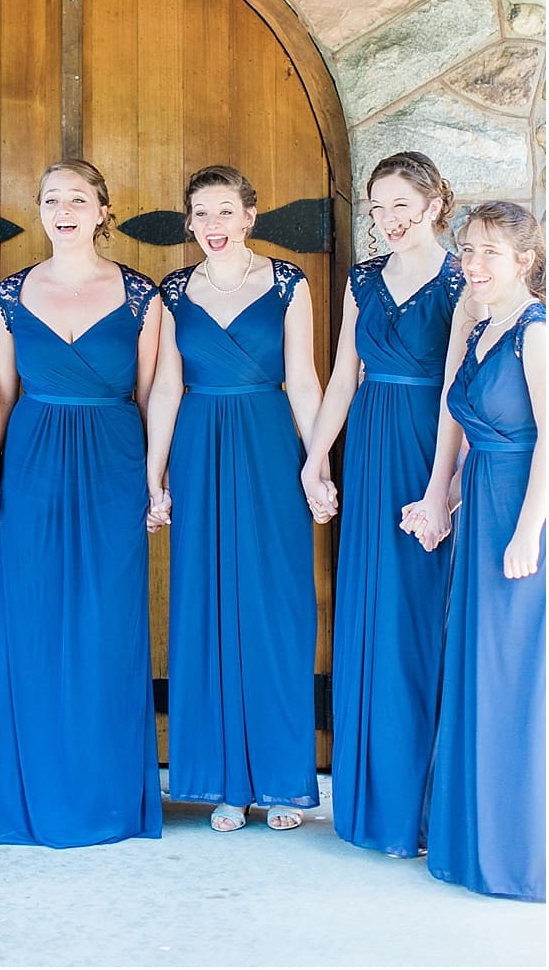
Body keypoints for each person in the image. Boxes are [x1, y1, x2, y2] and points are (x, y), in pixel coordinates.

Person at [0, 158, 162, 848]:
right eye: (51, 198)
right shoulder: (10, 296)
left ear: (103, 210)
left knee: (107, 622)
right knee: (31, 618)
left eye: (78, 198)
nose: (64, 209)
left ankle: (104, 796)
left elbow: (155, 391)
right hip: (35, 458)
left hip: (112, 456)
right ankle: (26, 791)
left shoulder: (142, 296)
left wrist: (154, 476)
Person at [147, 165, 329, 832]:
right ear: (188, 222)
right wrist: (153, 472)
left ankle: (282, 781)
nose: (213, 226)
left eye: (225, 212)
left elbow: (304, 381)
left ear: (249, 216)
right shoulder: (172, 292)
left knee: (274, 607)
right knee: (206, 607)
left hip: (266, 443)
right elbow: (165, 387)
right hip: (197, 445)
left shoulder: (287, 284)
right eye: (201, 214)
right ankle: (226, 781)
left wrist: (315, 464)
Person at [301, 150, 467, 859]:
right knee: (370, 616)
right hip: (367, 452)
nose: (388, 219)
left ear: (433, 205)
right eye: (377, 207)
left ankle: (425, 812)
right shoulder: (362, 279)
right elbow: (341, 378)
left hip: (429, 451)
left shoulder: (462, 278)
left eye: (402, 204)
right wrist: (313, 456)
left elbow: (459, 392)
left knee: (420, 622)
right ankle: (374, 807)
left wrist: (439, 491)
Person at [402, 201, 545, 902]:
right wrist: (442, 496)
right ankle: (474, 838)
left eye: (491, 252)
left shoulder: (534, 332)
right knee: (476, 671)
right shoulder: (483, 324)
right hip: (482, 500)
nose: (474, 264)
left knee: (516, 675)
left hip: (521, 515)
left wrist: (526, 532)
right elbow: (464, 426)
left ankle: (519, 852)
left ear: (525, 260)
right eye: (467, 251)